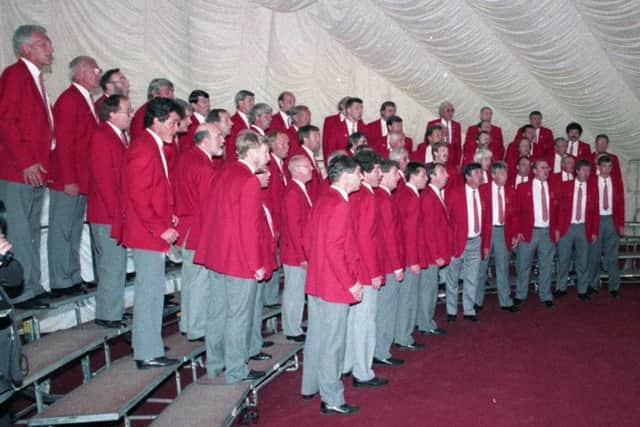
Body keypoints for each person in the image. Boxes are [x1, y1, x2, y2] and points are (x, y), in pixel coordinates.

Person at [195, 130, 270, 384]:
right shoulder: (248, 181)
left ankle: (215, 364)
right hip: (238, 258)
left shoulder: (223, 172)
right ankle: (236, 369)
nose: (268, 157)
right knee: (239, 315)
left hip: (217, 254)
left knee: (217, 312)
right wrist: (255, 263)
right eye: (264, 151)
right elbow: (249, 227)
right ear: (252, 152)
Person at [122, 97, 182, 369]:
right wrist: (160, 228)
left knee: (153, 291)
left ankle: (147, 344)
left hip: (150, 229)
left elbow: (152, 190)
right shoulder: (144, 148)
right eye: (172, 123)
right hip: (147, 233)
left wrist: (166, 212)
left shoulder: (152, 145)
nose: (176, 128)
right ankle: (147, 352)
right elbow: (137, 195)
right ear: (156, 121)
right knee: (150, 292)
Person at [301, 155, 363, 415]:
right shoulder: (340, 205)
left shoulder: (322, 199)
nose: (361, 177)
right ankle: (332, 398)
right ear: (347, 176)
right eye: (359, 173)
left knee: (317, 338)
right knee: (332, 343)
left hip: (317, 282)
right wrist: (351, 283)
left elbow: (308, 241)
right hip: (334, 285)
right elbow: (336, 249)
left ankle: (310, 386)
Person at [0, 25, 54, 308]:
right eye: (44, 44)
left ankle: (32, 285)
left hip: (35, 170)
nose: (51, 49)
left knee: (32, 230)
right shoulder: (15, 75)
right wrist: (26, 162)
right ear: (26, 48)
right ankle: (21, 293)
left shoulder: (33, 79)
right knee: (20, 231)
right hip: (18, 170)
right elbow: (6, 121)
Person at [48, 56, 101, 297]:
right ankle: (61, 281)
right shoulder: (69, 100)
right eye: (94, 70)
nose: (98, 74)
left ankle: (72, 276)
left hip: (82, 179)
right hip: (69, 180)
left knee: (74, 230)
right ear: (79, 73)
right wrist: (69, 178)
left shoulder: (85, 99)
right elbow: (64, 143)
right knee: (62, 230)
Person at [174, 123, 225, 341]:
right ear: (204, 140)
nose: (223, 140)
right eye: (218, 136)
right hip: (199, 230)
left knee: (191, 281)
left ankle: (188, 324)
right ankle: (197, 328)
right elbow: (209, 206)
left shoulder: (187, 158)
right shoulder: (204, 167)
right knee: (200, 284)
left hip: (187, 228)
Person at [87, 95, 133, 328]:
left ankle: (114, 309)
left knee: (117, 264)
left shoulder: (118, 136)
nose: (130, 115)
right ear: (112, 114)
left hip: (114, 211)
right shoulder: (102, 136)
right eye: (126, 111)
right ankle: (107, 314)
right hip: (106, 213)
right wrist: (119, 213)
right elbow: (105, 180)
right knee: (111, 264)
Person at [343, 151, 387, 388]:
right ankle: (363, 371)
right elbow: (367, 239)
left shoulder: (355, 196)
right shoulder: (368, 197)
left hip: (355, 268)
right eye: (378, 170)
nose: (380, 174)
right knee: (365, 322)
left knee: (354, 321)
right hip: (365, 270)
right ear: (367, 173)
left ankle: (349, 364)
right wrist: (374, 272)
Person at [373, 160, 405, 366]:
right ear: (383, 175)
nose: (399, 177)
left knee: (385, 307)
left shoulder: (383, 197)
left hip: (385, 261)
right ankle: (381, 351)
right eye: (395, 173)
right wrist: (396, 265)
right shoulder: (383, 199)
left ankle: (381, 348)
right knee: (386, 308)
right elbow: (389, 236)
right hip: (387, 263)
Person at [512, 159, 558, 307]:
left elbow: (558, 211)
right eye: (543, 168)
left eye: (548, 168)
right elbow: (515, 212)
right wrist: (517, 231)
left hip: (547, 232)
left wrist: (556, 229)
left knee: (546, 265)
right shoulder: (523, 187)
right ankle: (520, 293)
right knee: (523, 264)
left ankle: (545, 295)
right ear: (534, 171)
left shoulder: (553, 188)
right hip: (528, 232)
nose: (546, 170)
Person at [445, 163, 485, 322]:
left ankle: (469, 310)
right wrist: (449, 242)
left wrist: (485, 243)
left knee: (472, 277)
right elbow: (447, 220)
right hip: (458, 241)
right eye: (477, 173)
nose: (481, 176)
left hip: (476, 241)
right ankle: (451, 311)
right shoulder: (455, 193)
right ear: (468, 176)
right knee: (453, 277)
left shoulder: (483, 193)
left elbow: (486, 220)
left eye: (481, 173)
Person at [393, 162, 427, 350]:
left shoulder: (406, 194)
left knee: (406, 298)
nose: (426, 178)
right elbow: (409, 231)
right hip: (409, 257)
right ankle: (403, 336)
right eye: (423, 175)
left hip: (406, 255)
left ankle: (402, 334)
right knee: (407, 298)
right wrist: (413, 260)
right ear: (412, 176)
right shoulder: (411, 197)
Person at [477, 161, 519, 312]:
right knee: (481, 267)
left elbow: (514, 216)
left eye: (506, 173)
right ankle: (477, 301)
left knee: (503, 267)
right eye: (501, 173)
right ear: (493, 175)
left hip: (503, 231)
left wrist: (514, 235)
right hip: (486, 231)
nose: (505, 176)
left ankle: (506, 301)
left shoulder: (511, 191)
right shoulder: (482, 190)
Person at [553, 160, 598, 300]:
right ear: (577, 171)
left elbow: (595, 212)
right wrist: (557, 228)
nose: (586, 174)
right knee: (564, 259)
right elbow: (557, 209)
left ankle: (582, 290)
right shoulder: (565, 186)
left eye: (588, 171)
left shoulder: (592, 188)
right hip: (566, 227)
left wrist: (594, 231)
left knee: (583, 260)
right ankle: (561, 287)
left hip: (584, 227)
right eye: (583, 170)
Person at [281, 155, 313, 342]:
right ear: (297, 170)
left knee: (297, 290)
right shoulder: (293, 192)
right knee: (294, 290)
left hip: (298, 251)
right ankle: (292, 328)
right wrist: (302, 255)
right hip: (294, 252)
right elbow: (294, 228)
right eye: (308, 166)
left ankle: (294, 325)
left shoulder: (300, 190)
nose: (311, 169)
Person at [417, 162, 451, 334]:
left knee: (430, 289)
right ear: (433, 176)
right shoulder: (429, 196)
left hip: (434, 253)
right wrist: (436, 254)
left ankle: (425, 321)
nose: (447, 175)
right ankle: (425, 323)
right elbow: (429, 230)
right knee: (428, 290)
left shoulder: (434, 194)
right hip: (431, 254)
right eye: (442, 172)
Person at [587, 155, 625, 298]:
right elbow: (588, 206)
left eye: (609, 166)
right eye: (604, 166)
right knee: (594, 255)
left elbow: (621, 203)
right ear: (598, 167)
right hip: (596, 220)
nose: (607, 169)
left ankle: (614, 286)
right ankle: (593, 285)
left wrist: (620, 223)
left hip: (612, 220)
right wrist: (590, 227)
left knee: (612, 256)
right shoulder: (592, 181)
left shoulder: (616, 181)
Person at [263, 131, 290, 308]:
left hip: (281, 219)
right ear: (272, 145)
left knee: (276, 260)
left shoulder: (281, 164)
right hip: (273, 220)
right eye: (283, 144)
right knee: (271, 259)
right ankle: (269, 299)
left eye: (288, 143)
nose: (287, 147)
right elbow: (270, 197)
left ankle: (271, 298)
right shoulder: (269, 165)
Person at [323, 97, 367, 166]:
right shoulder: (336, 128)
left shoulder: (364, 127)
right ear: (348, 110)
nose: (360, 111)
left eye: (361, 108)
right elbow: (330, 152)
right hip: (342, 168)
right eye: (357, 108)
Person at [426, 101, 461, 169]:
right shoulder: (432, 123)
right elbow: (428, 141)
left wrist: (458, 163)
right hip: (437, 155)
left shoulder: (457, 125)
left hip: (452, 157)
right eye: (448, 110)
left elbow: (458, 147)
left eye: (452, 110)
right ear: (441, 112)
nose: (451, 113)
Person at [225, 89, 255, 161]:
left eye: (253, 101)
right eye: (250, 101)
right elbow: (230, 147)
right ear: (241, 103)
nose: (253, 104)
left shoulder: (254, 120)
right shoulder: (232, 122)